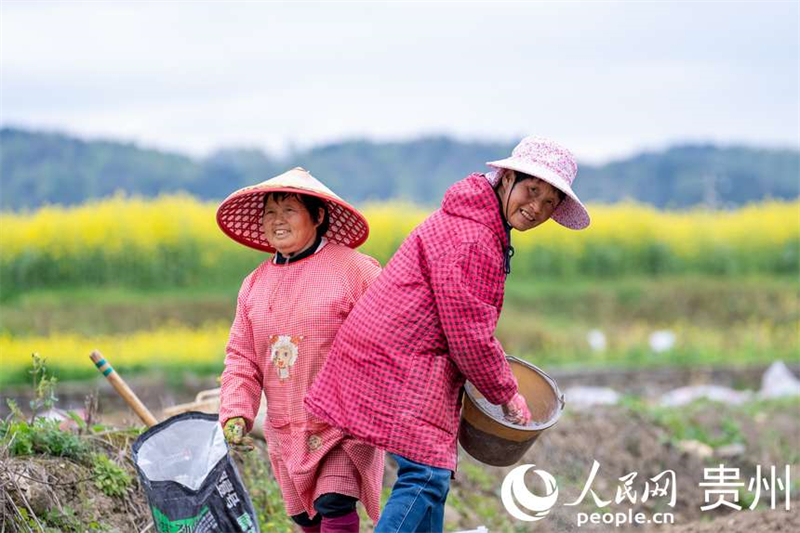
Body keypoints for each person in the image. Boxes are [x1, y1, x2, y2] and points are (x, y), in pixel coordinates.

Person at [305, 137, 591, 532]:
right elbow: (469, 333)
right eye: (532, 190)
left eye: (550, 201)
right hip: (398, 359)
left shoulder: (479, 223)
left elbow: (468, 322)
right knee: (426, 474)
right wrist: (506, 394)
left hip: (399, 354)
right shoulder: (473, 236)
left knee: (432, 475)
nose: (536, 207)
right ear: (507, 177)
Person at [216, 167, 384, 533]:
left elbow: (392, 330)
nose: (277, 221)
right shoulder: (254, 285)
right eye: (270, 213)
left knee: (333, 501)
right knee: (305, 516)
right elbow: (241, 358)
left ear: (318, 216)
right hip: (286, 425)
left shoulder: (355, 270)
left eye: (288, 211)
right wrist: (236, 412)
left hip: (342, 423)